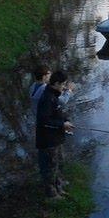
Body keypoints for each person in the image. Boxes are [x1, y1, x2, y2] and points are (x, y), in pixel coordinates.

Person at [36, 70, 74, 199]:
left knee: (59, 164)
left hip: (56, 138)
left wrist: (66, 120)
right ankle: (52, 195)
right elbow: (44, 121)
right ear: (56, 83)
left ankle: (59, 188)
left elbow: (58, 112)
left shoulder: (54, 95)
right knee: (50, 167)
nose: (64, 87)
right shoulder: (47, 98)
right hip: (48, 141)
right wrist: (62, 125)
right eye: (63, 84)